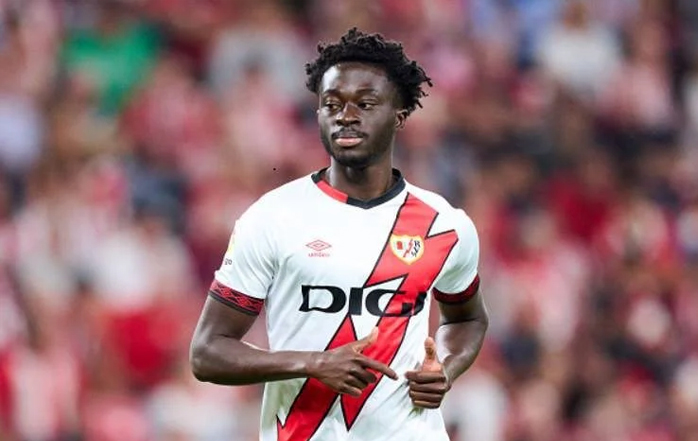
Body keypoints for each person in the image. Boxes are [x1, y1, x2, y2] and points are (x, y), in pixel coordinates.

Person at [189, 28, 489, 441]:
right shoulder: (273, 218)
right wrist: (311, 362)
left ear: (399, 115)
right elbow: (207, 352)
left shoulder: (445, 225)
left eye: (365, 104)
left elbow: (467, 317)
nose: (345, 115)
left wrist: (446, 370)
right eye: (331, 104)